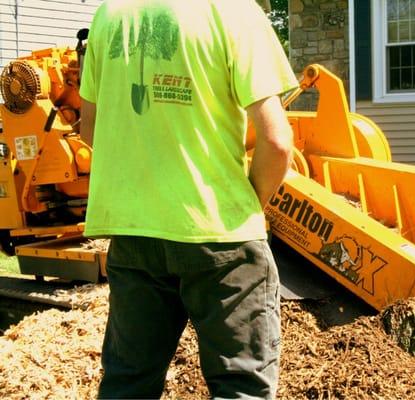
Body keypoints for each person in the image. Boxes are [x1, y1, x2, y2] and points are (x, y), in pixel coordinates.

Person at [79, 0, 297, 398]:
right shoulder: (233, 11)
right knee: (241, 387)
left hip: (134, 234)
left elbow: (91, 127)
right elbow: (277, 143)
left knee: (127, 384)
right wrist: (250, 204)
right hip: (221, 234)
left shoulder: (110, 14)